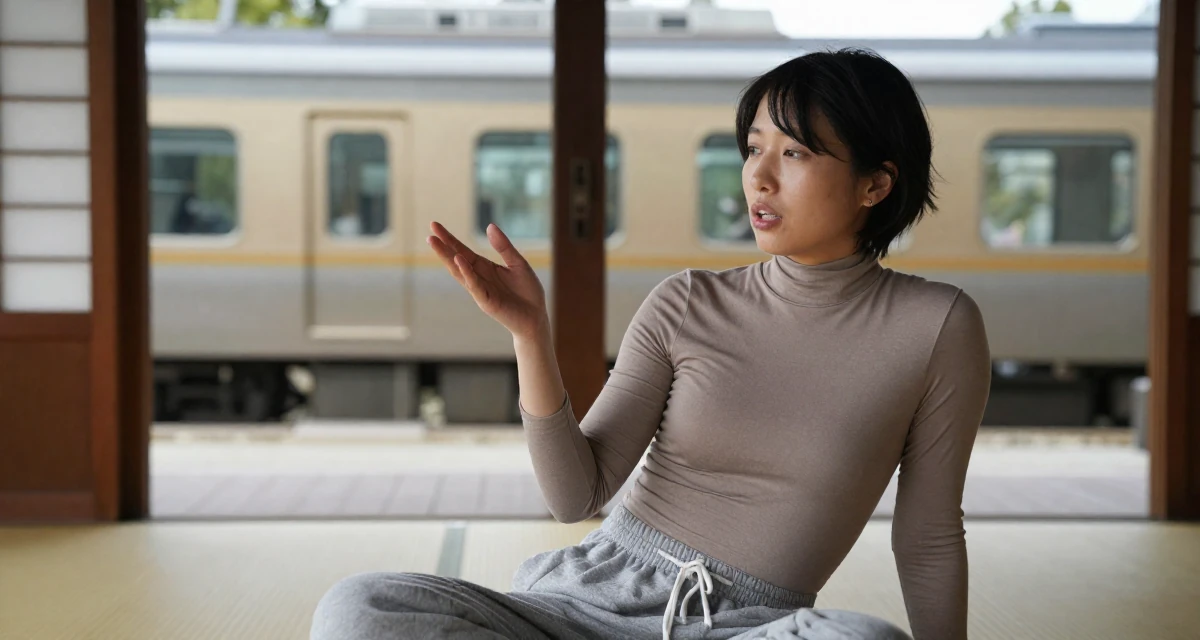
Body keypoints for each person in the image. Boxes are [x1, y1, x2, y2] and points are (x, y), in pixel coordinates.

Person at [311, 47, 990, 640]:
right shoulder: (689, 300)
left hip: (753, 628)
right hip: (581, 610)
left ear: (877, 183)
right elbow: (577, 495)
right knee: (360, 606)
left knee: (860, 638)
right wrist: (530, 337)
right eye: (753, 147)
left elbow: (928, 538)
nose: (759, 175)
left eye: (795, 153)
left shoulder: (937, 327)